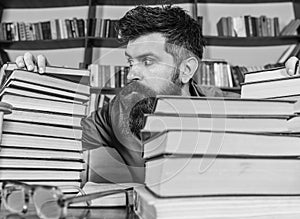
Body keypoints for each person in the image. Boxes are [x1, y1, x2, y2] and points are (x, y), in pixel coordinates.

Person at [9, 5, 300, 183]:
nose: (132, 73)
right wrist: (34, 93)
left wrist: (286, 93)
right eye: (130, 62)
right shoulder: (114, 112)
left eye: (147, 61)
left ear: (186, 70)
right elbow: (50, 146)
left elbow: (279, 144)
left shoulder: (229, 110)